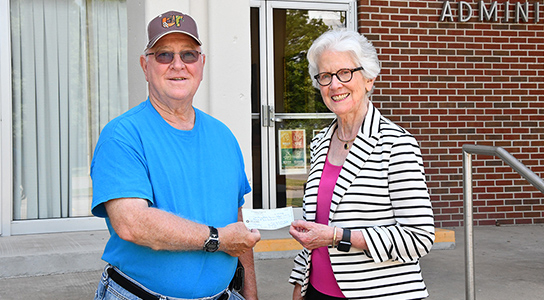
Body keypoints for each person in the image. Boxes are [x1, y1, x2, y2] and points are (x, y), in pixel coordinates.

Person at [90, 11, 261, 300]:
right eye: (164, 55)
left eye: (189, 55)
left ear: (202, 64)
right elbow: (132, 223)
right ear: (145, 66)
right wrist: (217, 239)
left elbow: (236, 220)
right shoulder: (122, 135)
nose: (178, 65)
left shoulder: (223, 136)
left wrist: (251, 293)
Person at [288, 29, 435, 300]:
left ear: (368, 78)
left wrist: (338, 236)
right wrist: (299, 286)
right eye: (325, 76)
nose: (334, 85)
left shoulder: (396, 143)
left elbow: (419, 237)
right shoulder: (320, 142)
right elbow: (316, 228)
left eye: (345, 72)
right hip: (317, 291)